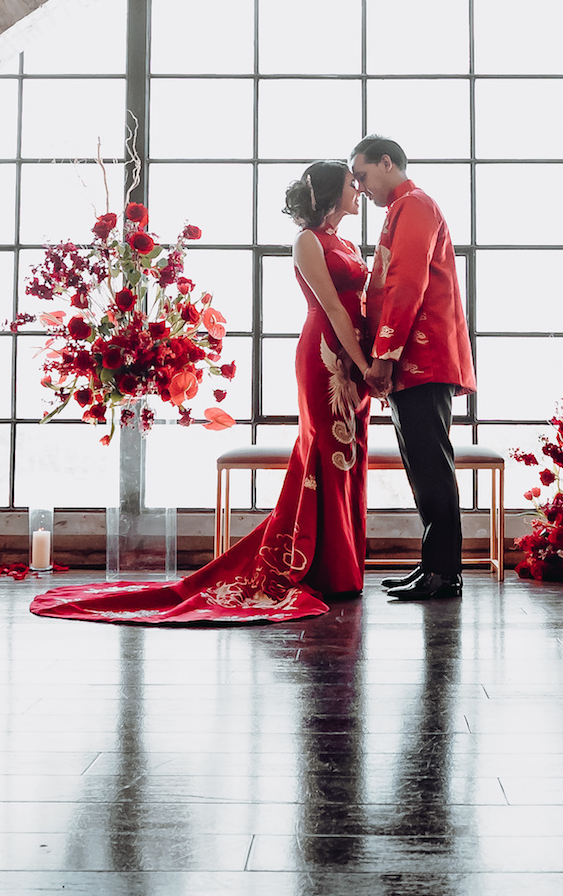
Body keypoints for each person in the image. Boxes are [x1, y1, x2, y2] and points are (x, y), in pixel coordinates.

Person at [30, 160, 380, 626]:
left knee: (351, 453)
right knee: (326, 452)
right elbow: (334, 307)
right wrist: (363, 365)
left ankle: (343, 567)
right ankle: (326, 570)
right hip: (327, 355)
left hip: (357, 359)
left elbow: (364, 298)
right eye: (351, 185)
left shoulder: (349, 243)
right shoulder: (306, 241)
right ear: (333, 193)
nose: (359, 191)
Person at [351, 134, 476, 603]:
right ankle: (434, 568)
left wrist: (383, 356)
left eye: (362, 176)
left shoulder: (416, 205)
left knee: (431, 465)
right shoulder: (401, 210)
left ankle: (444, 574)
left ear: (387, 163)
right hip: (411, 358)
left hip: (418, 356)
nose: (360, 188)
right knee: (422, 466)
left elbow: (407, 282)